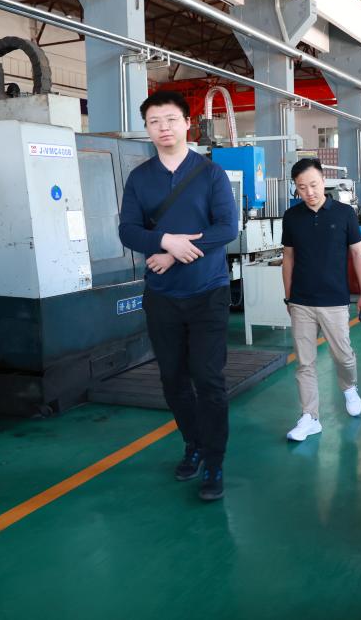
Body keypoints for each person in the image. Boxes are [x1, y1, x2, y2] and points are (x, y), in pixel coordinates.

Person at [118, 90, 238, 502]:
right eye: (154, 122)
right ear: (147, 129)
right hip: (162, 296)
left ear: (188, 123)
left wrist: (174, 253)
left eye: (170, 119)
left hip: (208, 292)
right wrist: (165, 241)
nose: (163, 128)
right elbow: (128, 231)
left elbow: (227, 228)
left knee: (208, 379)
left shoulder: (210, 174)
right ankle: (194, 444)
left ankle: (215, 461)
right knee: (172, 379)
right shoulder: (140, 178)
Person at [281, 158, 361, 441]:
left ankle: (349, 386)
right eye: (302, 187)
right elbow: (288, 258)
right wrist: (289, 297)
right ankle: (310, 417)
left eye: (313, 184)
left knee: (343, 355)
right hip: (301, 301)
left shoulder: (345, 214)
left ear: (323, 181)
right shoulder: (292, 216)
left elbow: (358, 255)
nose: (309, 192)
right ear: (296, 189)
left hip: (334, 300)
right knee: (304, 363)